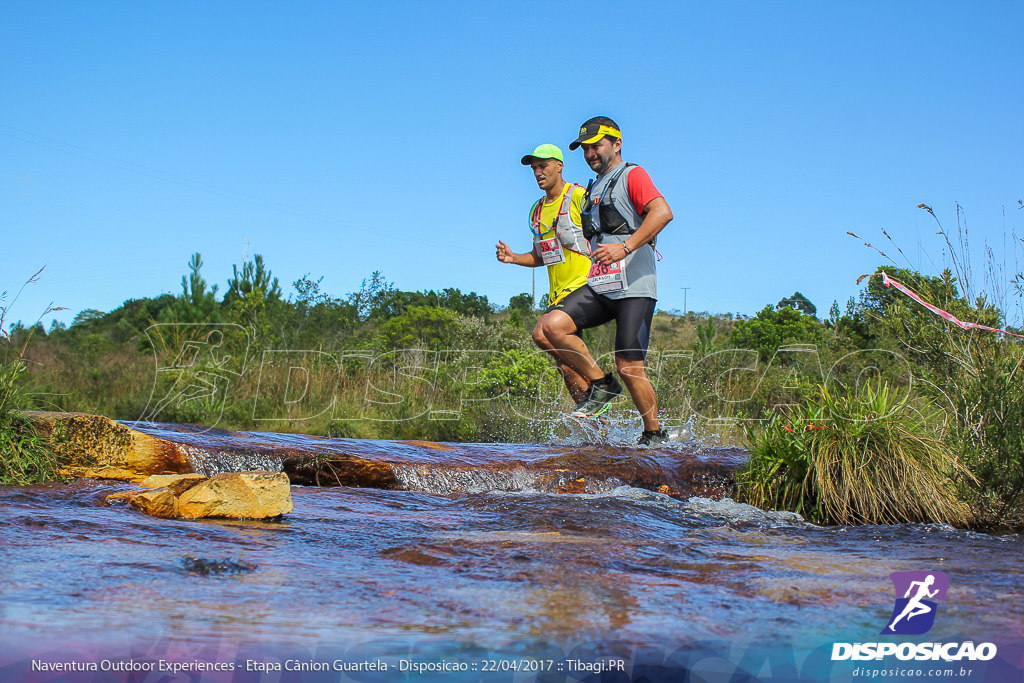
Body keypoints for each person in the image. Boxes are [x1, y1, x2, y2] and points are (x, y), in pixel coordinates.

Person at [541, 116, 674, 446]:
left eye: (596, 146)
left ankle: (653, 433)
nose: (590, 153)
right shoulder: (593, 187)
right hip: (602, 284)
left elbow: (662, 213)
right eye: (585, 148)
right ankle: (602, 384)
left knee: (629, 365)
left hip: (634, 287)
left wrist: (625, 247)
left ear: (617, 143)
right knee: (551, 327)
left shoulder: (633, 174)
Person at [495, 143, 593, 403]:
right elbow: (541, 255)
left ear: (559, 166)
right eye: (534, 168)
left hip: (586, 286)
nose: (538, 172)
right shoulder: (536, 211)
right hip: (558, 296)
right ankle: (598, 427)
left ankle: (600, 381)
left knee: (541, 332)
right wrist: (513, 258)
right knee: (566, 367)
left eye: (543, 166)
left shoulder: (578, 197)